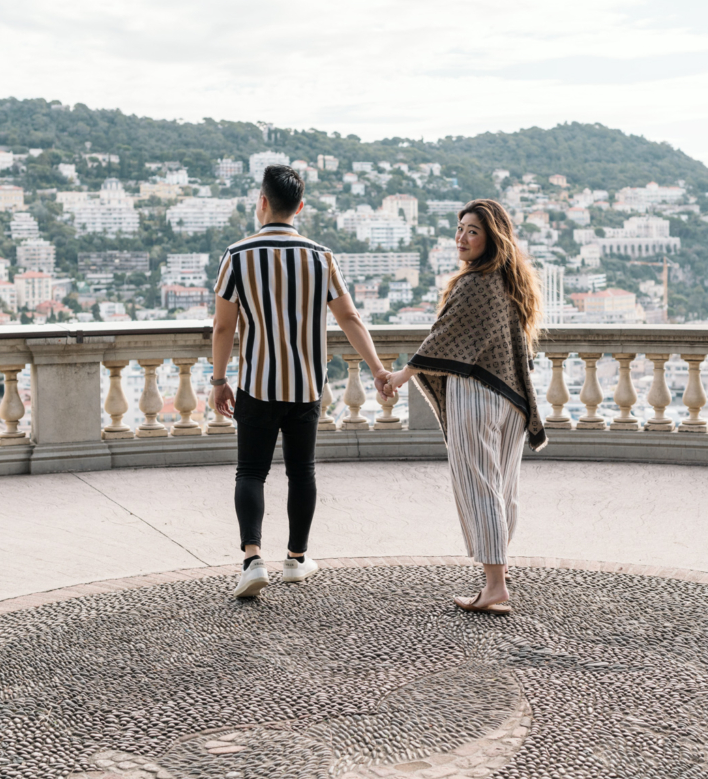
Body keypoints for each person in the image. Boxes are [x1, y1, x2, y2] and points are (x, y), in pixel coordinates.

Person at [210, 164, 392, 600]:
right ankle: (296, 558)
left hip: (257, 383)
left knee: (251, 472)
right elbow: (349, 317)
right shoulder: (320, 256)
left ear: (263, 202)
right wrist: (379, 369)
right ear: (301, 206)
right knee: (301, 472)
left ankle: (253, 559)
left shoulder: (237, 255)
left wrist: (219, 380)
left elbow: (222, 328)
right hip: (307, 385)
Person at [383, 198, 545, 615]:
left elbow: (442, 338)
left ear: (492, 237)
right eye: (459, 229)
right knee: (502, 488)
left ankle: (494, 586)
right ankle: (499, 573)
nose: (462, 238)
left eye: (472, 230)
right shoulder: (510, 282)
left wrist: (401, 376)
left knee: (479, 488)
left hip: (476, 395)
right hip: (511, 400)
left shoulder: (475, 283)